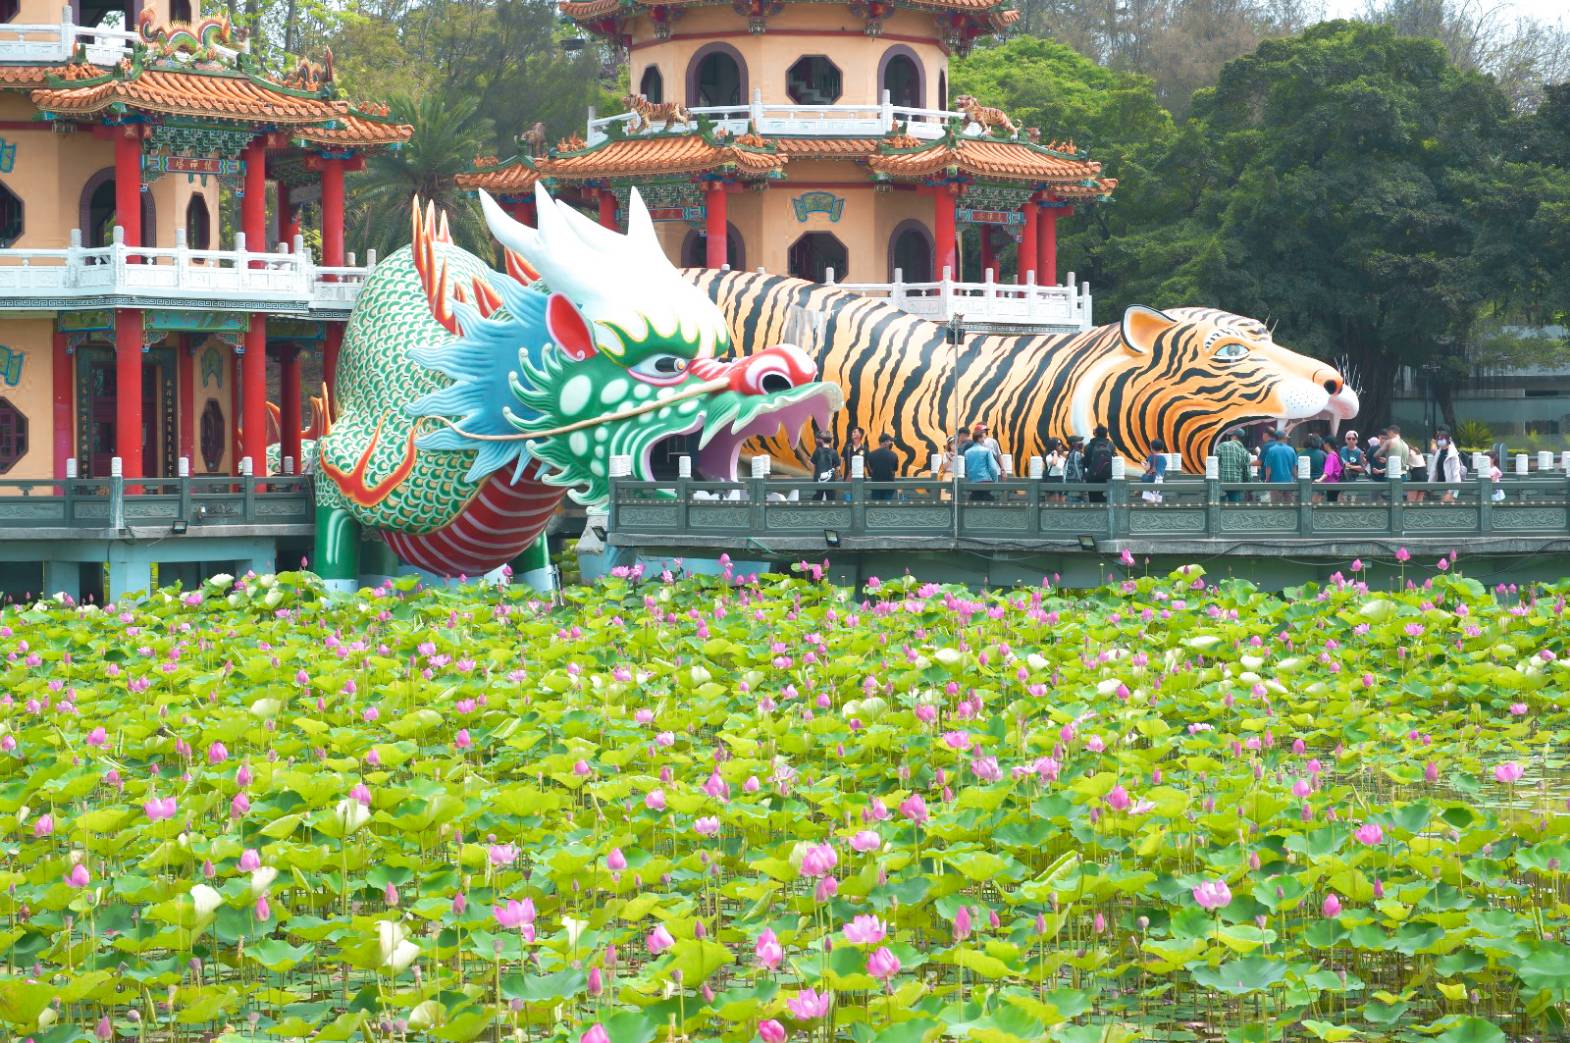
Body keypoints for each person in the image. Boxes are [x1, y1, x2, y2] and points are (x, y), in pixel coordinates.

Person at [1260, 428, 1298, 497]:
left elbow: (1268, 467)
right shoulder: (1291, 450)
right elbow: (1294, 469)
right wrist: (1297, 478)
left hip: (1275, 483)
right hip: (1289, 483)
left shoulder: (1271, 450)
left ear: (1275, 438)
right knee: (1289, 504)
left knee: (1276, 505)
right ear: (1284, 439)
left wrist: (1267, 479)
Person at [1216, 428, 1250, 502]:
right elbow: (1246, 472)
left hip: (1222, 483)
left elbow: (1214, 462)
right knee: (1235, 508)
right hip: (1237, 484)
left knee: (1220, 508)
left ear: (1234, 436)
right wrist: (1248, 485)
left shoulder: (1222, 446)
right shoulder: (1244, 452)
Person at [963, 435, 999, 500]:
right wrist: (995, 481)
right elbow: (993, 468)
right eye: (983, 438)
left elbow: (966, 469)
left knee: (974, 502)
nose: (984, 440)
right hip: (986, 481)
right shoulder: (987, 451)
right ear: (979, 438)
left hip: (973, 483)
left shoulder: (967, 452)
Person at [1085, 425, 1115, 503]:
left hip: (1092, 478)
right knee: (1106, 500)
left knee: (1093, 500)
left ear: (1096, 434)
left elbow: (1086, 463)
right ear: (1106, 434)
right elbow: (1115, 459)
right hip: (1107, 477)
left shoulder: (1089, 446)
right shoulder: (1110, 445)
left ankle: (1095, 514)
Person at [809, 430, 840, 502]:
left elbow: (811, 464)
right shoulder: (834, 452)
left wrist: (815, 474)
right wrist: (835, 479)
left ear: (822, 440)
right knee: (831, 500)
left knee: (817, 499)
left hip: (819, 479)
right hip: (831, 481)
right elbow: (838, 468)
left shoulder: (817, 451)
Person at [866, 434, 898, 500]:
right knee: (886, 506)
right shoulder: (894, 455)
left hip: (875, 484)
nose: (891, 443)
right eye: (890, 441)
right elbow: (894, 471)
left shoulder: (871, 454)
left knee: (876, 505)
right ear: (885, 442)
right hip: (889, 485)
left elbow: (870, 470)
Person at [1141, 438, 1168, 503]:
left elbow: (1147, 468)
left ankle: (1150, 512)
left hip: (1151, 480)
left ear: (1151, 448)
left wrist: (1142, 464)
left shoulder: (1151, 457)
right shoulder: (1163, 458)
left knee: (1149, 500)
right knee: (1158, 500)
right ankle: (1157, 512)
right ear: (1161, 449)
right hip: (1160, 480)